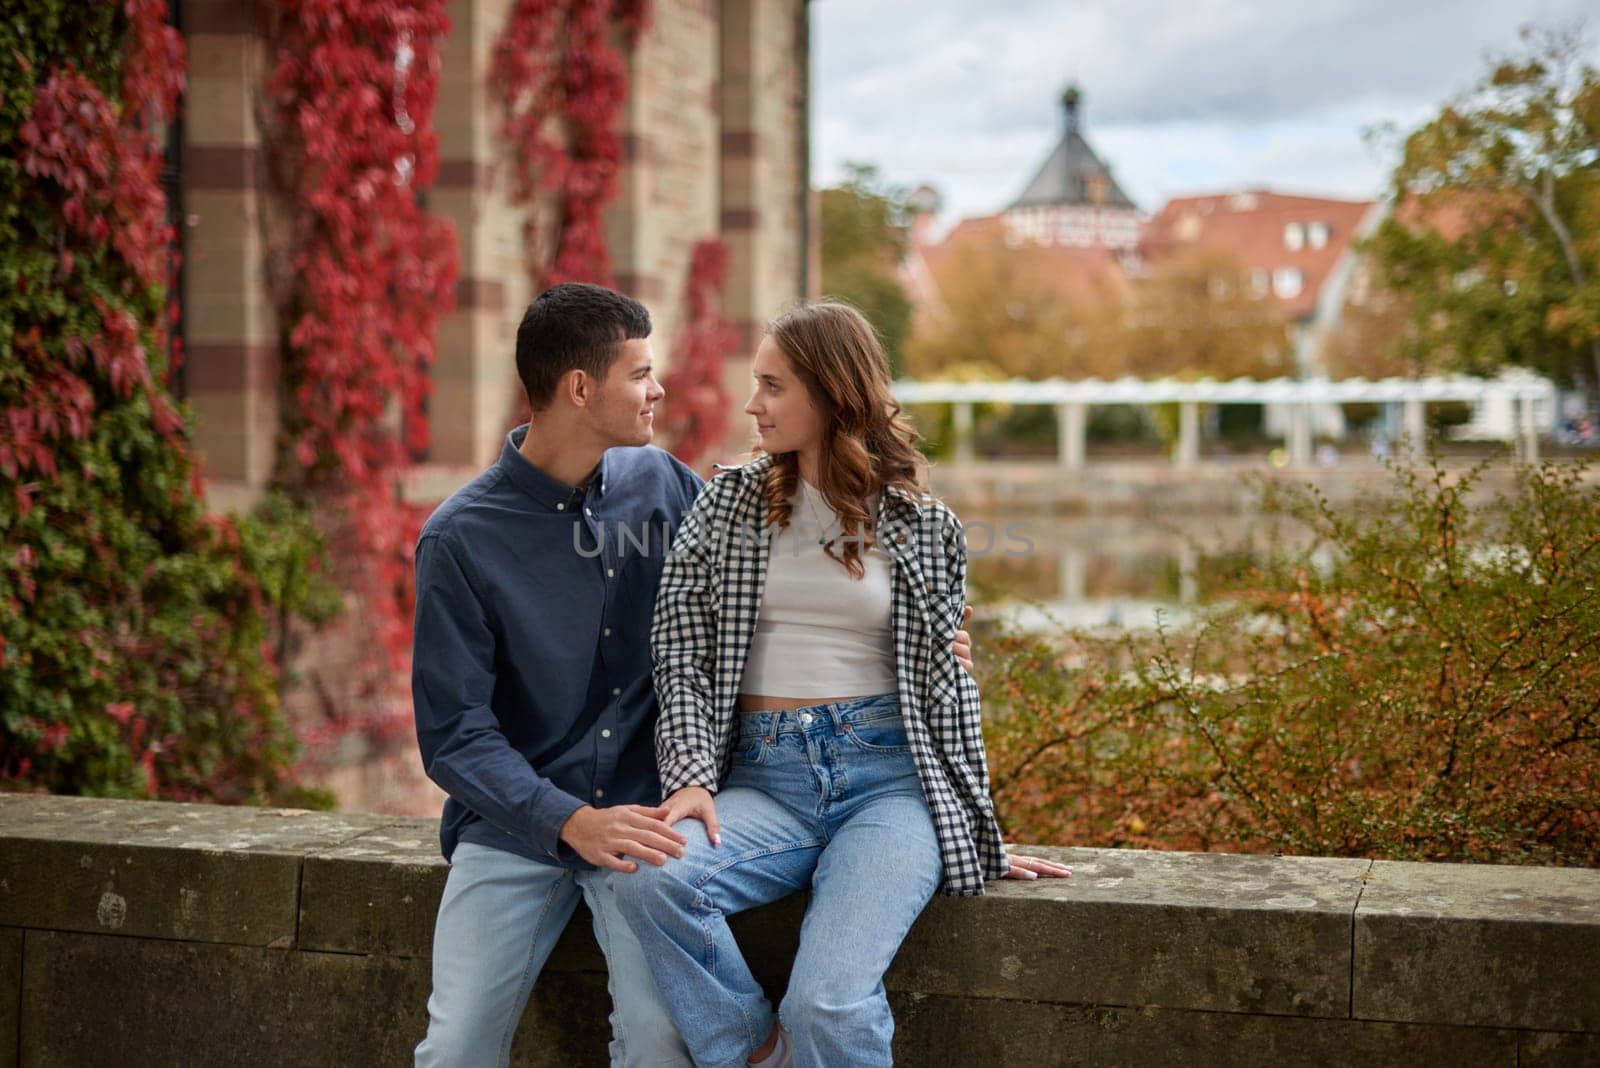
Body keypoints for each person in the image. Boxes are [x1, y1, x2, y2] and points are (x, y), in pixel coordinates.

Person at [410, 284, 977, 1066]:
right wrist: (570, 820)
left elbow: (799, 609)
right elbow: (455, 736)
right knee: (457, 1045)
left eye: (771, 385)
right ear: (581, 388)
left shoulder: (669, 486)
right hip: (522, 826)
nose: (662, 389)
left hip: (675, 804)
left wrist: (957, 820)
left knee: (663, 1038)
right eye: (642, 373)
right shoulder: (460, 540)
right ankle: (759, 1050)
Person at [613, 301, 1071, 1068]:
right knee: (651, 880)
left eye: (773, 386)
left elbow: (946, 687)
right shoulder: (725, 504)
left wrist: (972, 826)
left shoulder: (925, 524)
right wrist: (692, 778)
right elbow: (681, 654)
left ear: (830, 392)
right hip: (766, 780)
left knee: (826, 1003)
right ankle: (756, 1054)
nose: (752, 404)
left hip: (889, 785)